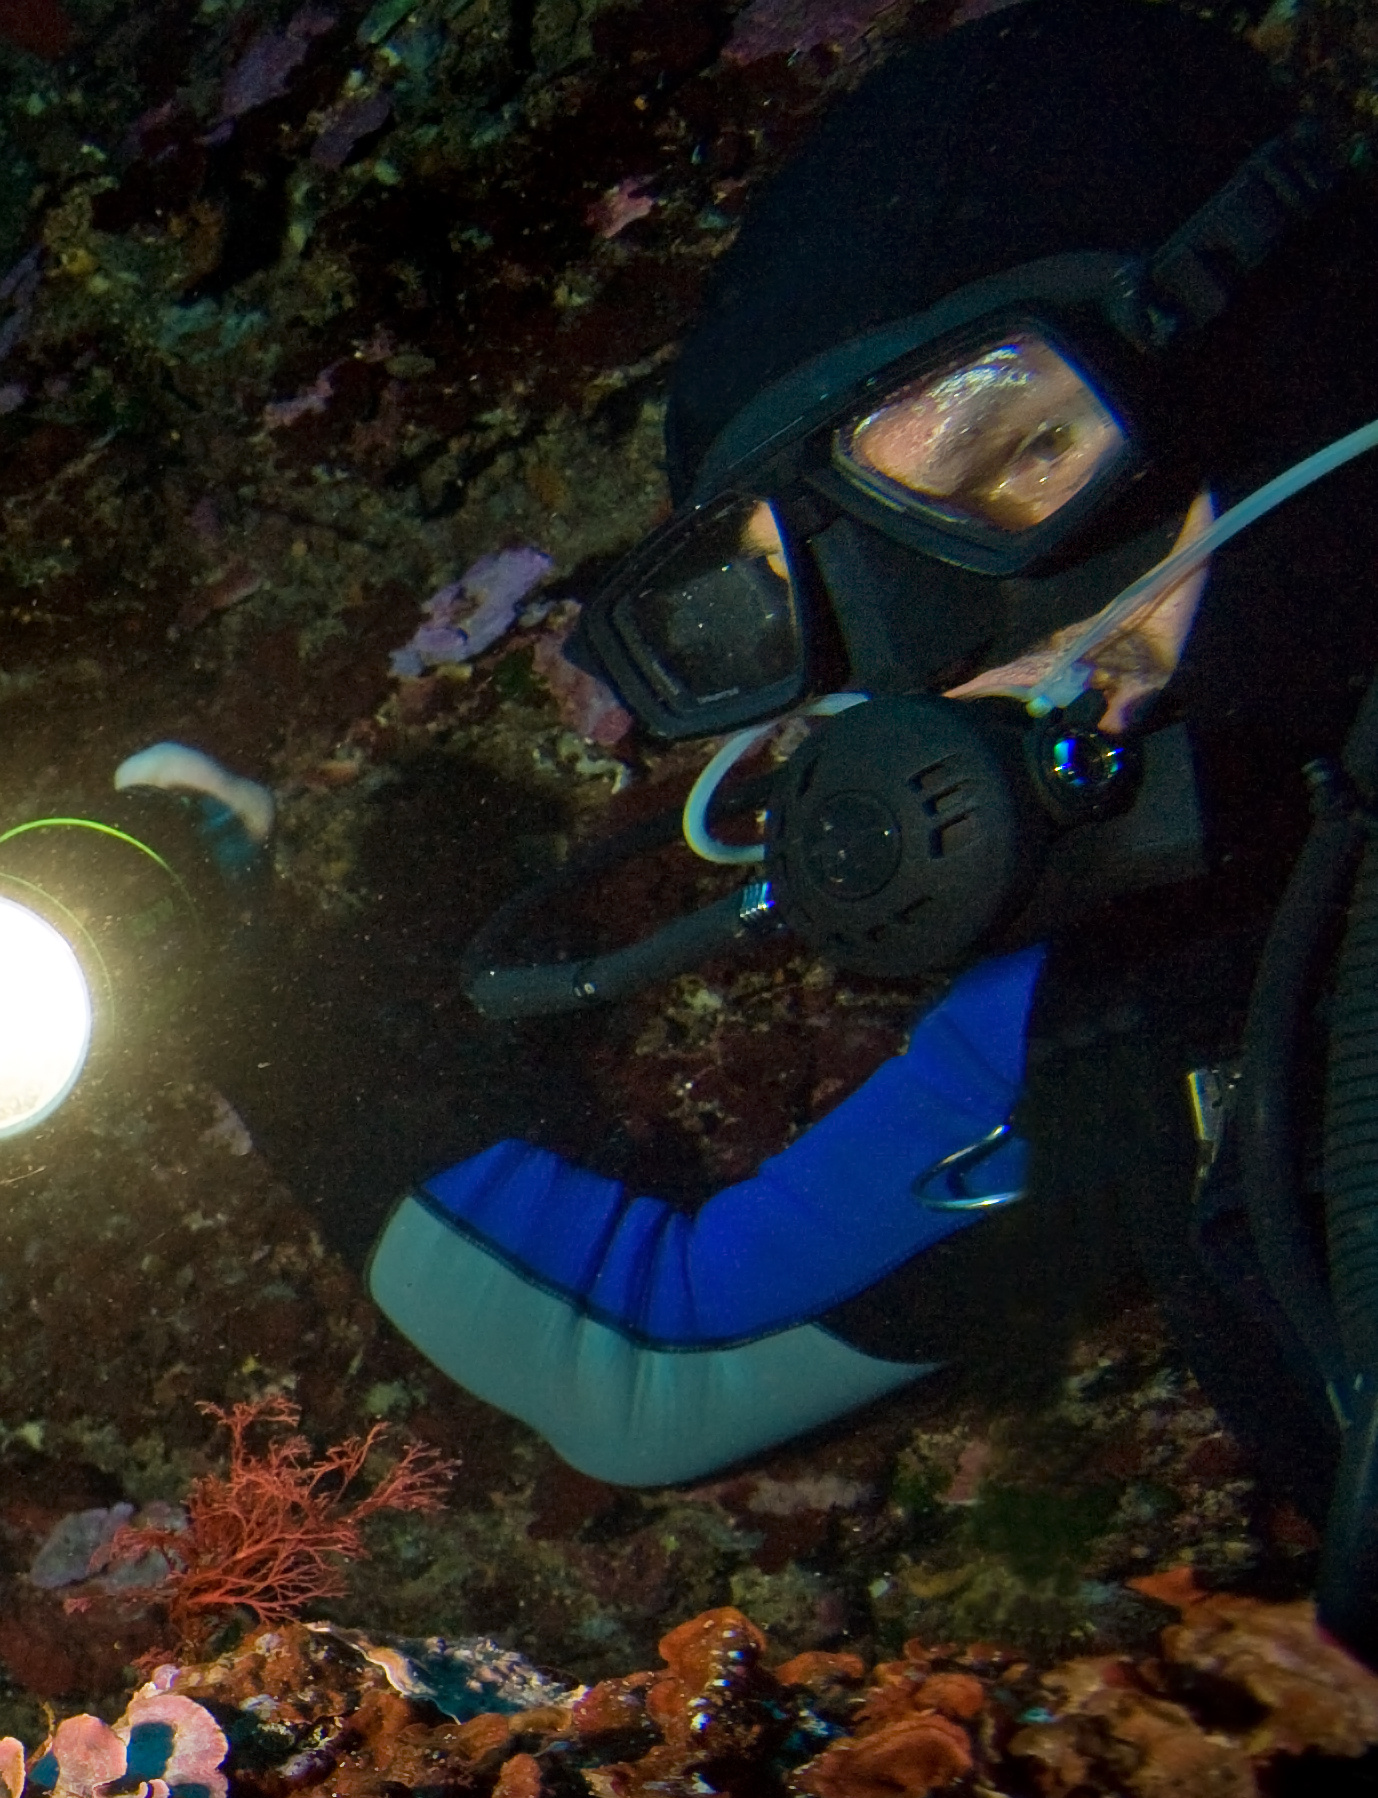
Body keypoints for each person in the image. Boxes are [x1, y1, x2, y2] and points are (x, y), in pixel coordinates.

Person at [185, 0, 1378, 1557]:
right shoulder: (1143, 999)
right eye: (836, 585)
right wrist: (219, 989)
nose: (959, 653)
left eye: (1012, 458)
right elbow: (653, 1351)